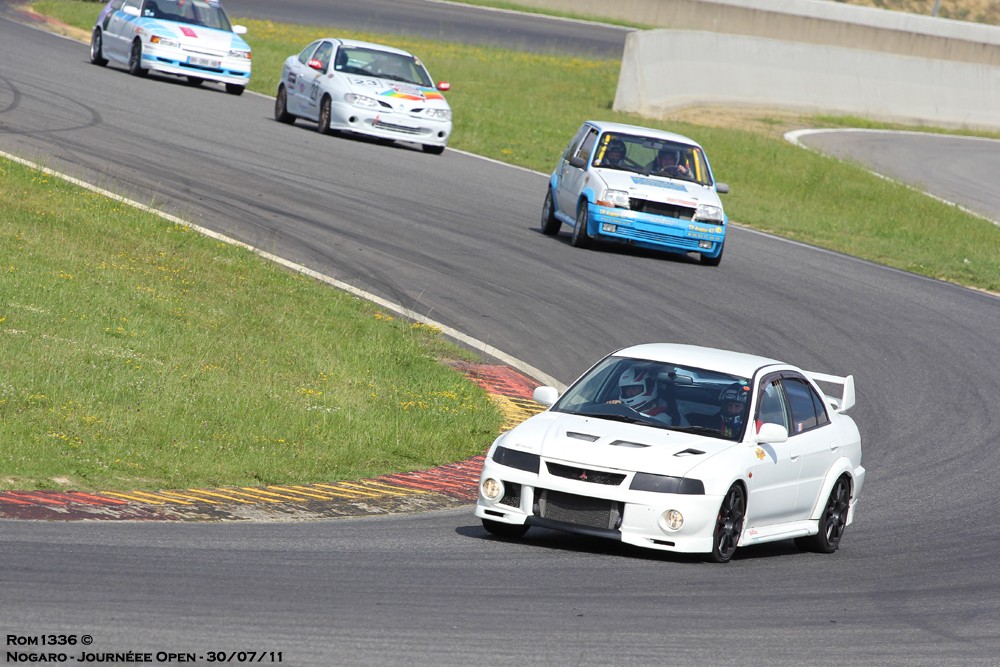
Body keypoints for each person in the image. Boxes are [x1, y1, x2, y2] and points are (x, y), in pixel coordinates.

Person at [608, 366, 673, 424]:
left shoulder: (663, 417)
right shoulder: (620, 408)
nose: (630, 392)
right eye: (626, 389)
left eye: (634, 388)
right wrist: (613, 408)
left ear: (648, 387)